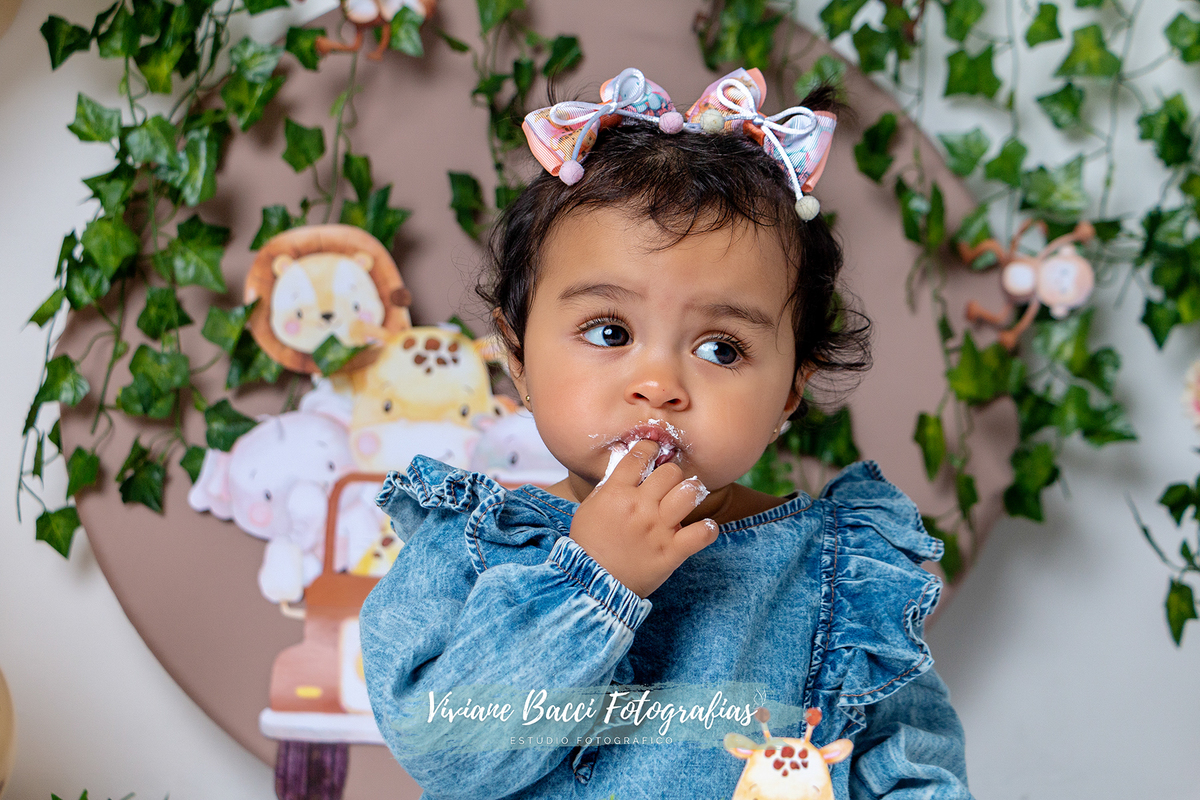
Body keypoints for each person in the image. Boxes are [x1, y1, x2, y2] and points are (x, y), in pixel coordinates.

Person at [360, 67, 973, 799]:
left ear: (789, 392)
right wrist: (592, 581)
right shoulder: (474, 548)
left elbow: (911, 772)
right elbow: (448, 755)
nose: (659, 384)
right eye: (609, 331)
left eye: (721, 348)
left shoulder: (840, 572)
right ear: (518, 359)